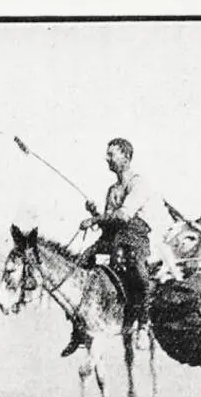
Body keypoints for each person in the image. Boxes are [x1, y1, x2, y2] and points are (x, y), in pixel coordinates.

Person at [60, 137, 153, 357]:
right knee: (79, 265)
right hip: (113, 239)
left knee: (139, 274)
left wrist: (94, 219)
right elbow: (109, 225)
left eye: (112, 154)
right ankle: (78, 331)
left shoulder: (138, 183)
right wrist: (95, 214)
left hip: (134, 238)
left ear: (126, 157)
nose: (107, 158)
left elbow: (123, 216)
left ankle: (143, 324)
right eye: (107, 154)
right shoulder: (112, 190)